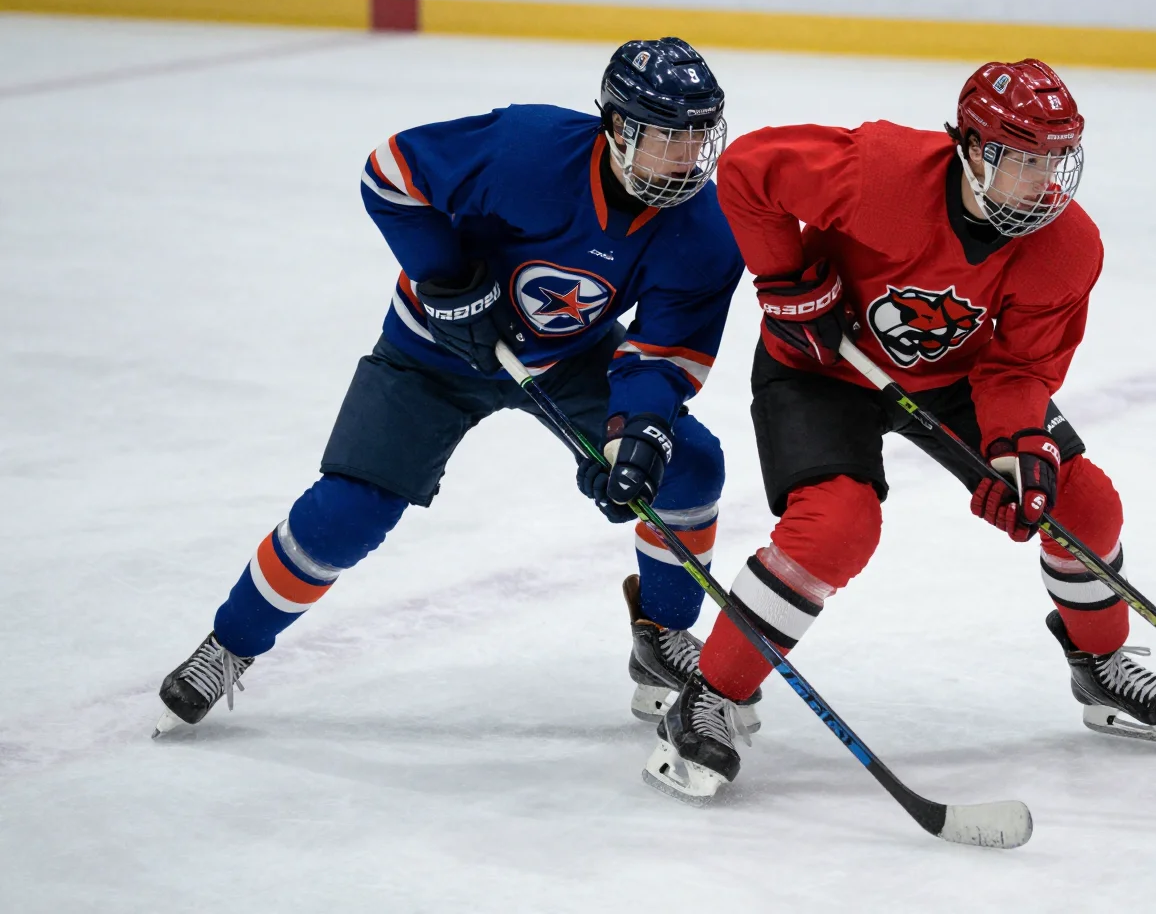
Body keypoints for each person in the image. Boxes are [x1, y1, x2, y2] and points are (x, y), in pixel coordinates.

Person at [155, 37, 757, 737]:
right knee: (349, 511)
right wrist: (445, 280)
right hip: (430, 350)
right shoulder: (525, 150)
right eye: (667, 137)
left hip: (568, 358)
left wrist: (636, 437)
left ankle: (662, 637)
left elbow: (664, 355)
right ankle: (229, 645)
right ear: (618, 128)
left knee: (685, 466)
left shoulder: (706, 230)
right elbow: (389, 175)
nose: (687, 159)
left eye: (697, 137)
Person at [643, 59, 1156, 804]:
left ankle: (1099, 663)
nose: (1045, 183)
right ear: (971, 147)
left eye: (1057, 161)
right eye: (1024, 160)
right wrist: (785, 283)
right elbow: (746, 170)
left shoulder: (1067, 246)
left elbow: (1020, 369)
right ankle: (710, 693)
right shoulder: (879, 173)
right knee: (835, 528)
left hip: (957, 383)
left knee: (1082, 503)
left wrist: (1015, 448)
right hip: (821, 367)